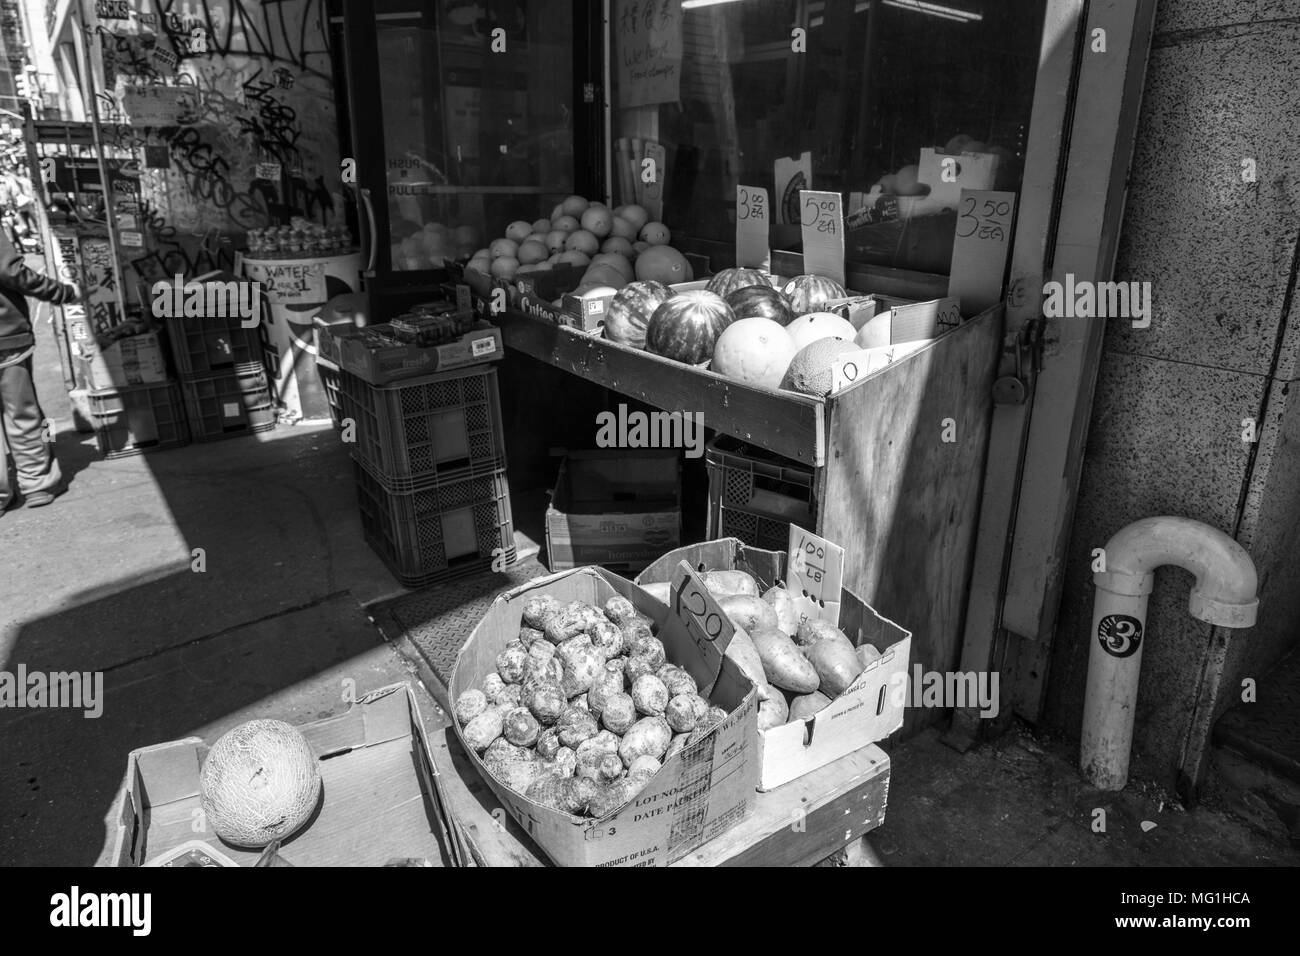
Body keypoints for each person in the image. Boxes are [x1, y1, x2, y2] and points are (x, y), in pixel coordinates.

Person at [0, 224, 80, 514]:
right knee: (21, 411)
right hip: (5, 334)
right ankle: (37, 483)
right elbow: (11, 271)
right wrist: (63, 292)